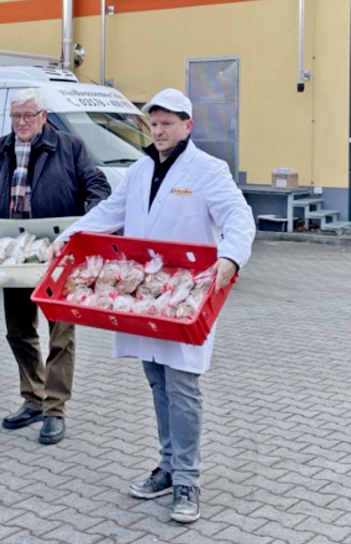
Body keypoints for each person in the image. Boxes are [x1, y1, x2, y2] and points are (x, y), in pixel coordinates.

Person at [50, 88, 256, 522]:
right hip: (145, 293)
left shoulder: (208, 170)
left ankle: (187, 480)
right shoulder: (142, 170)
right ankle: (167, 465)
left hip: (186, 296)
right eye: (154, 124)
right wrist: (69, 235)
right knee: (157, 380)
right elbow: (109, 212)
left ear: (187, 126)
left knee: (182, 386)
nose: (159, 131)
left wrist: (231, 256)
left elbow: (239, 218)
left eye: (167, 124)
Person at [0, 87, 110, 445]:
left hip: (57, 252)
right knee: (18, 331)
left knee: (61, 334)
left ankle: (55, 410)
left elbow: (97, 186)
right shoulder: (0, 149)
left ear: (43, 116)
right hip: (13, 252)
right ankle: (34, 397)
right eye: (16, 116)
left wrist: (89, 225)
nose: (22, 123)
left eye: (29, 115)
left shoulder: (70, 147)